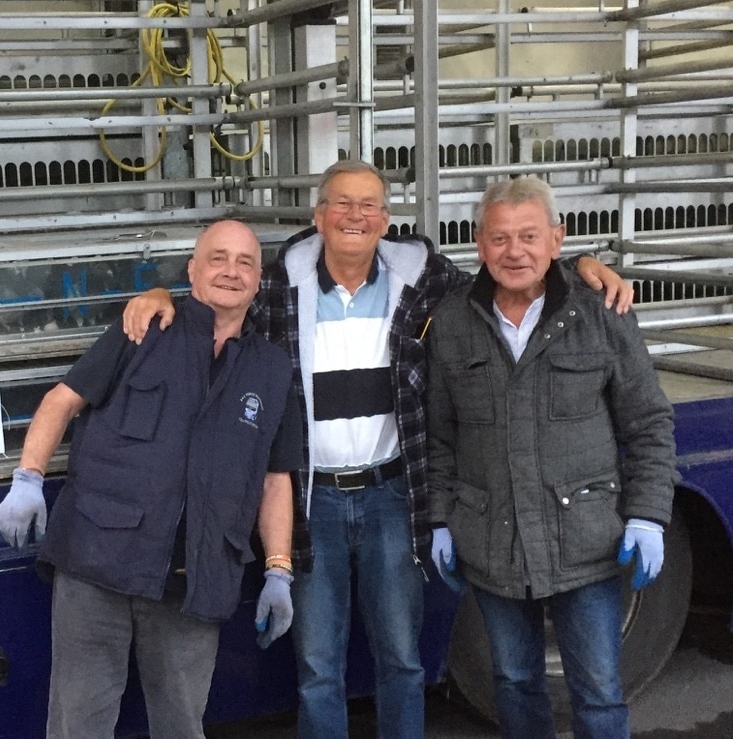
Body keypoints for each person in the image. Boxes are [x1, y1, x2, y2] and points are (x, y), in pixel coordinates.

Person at [122, 161, 633, 739]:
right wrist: (164, 291)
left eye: (369, 205)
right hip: (313, 504)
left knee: (402, 659)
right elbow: (219, 297)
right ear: (319, 217)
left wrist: (579, 267)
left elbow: (511, 270)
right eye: (342, 203)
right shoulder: (276, 286)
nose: (355, 216)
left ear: (386, 220)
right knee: (318, 668)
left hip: (393, 496)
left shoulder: (426, 281)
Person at [0, 220, 303, 739]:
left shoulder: (272, 370)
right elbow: (61, 401)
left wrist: (279, 570)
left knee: (181, 727)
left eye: (245, 262)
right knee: (77, 725)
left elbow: (275, 480)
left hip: (193, 580)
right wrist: (27, 478)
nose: (231, 270)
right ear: (193, 270)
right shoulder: (144, 328)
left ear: (259, 280)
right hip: (97, 563)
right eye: (218, 258)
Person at [426, 178, 677, 739]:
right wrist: (441, 519)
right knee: (514, 682)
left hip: (586, 545)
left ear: (557, 240)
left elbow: (650, 423)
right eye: (499, 238)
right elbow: (441, 439)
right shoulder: (452, 324)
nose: (514, 251)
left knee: (599, 695)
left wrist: (648, 515)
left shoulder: (602, 313)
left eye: (529, 236)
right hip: (493, 544)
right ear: (478, 243)